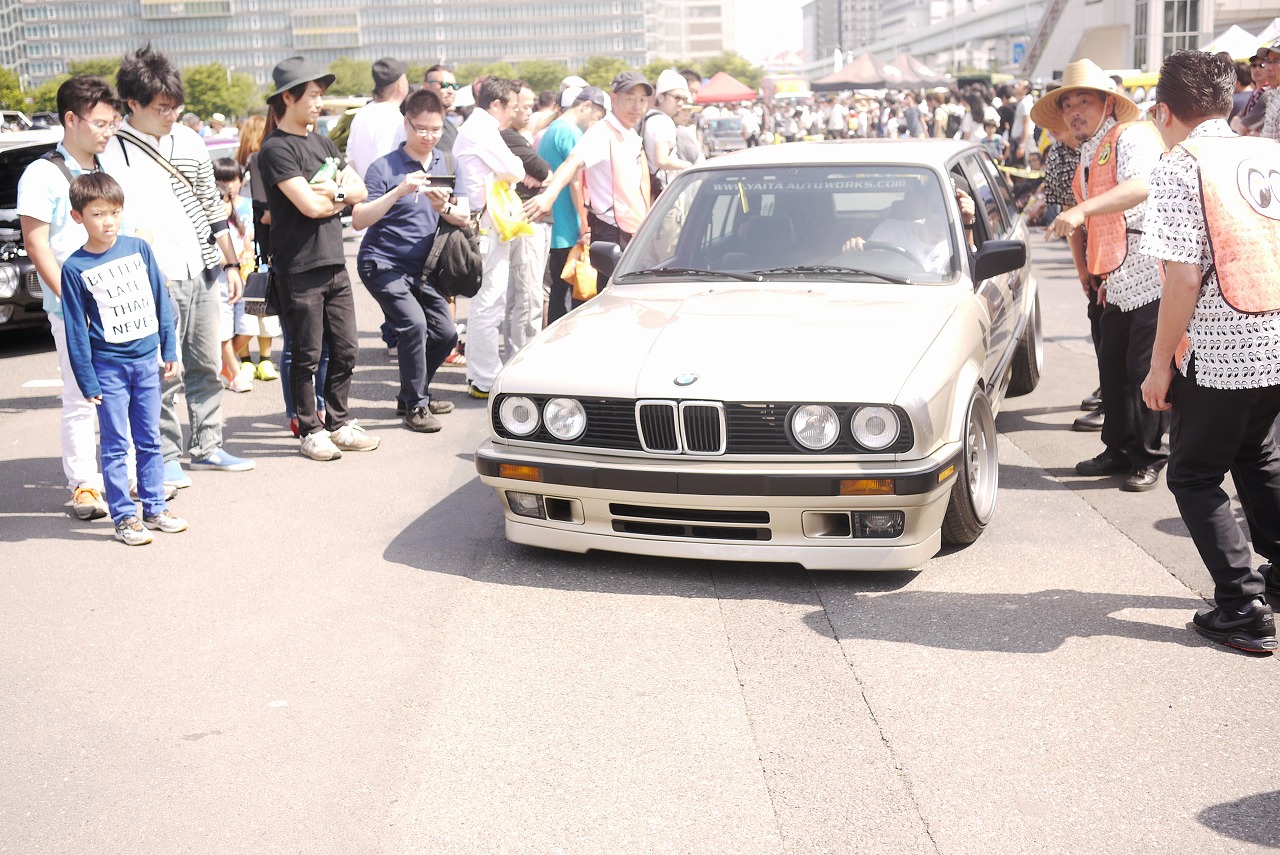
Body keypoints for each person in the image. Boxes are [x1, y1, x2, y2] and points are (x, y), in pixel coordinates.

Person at [1139, 49, 1280, 654]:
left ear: (1163, 111)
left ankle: (1240, 604)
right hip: (1274, 336)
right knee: (1259, 457)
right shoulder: (1267, 152)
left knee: (1194, 474)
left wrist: (1156, 366)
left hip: (1221, 346)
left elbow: (1181, 279)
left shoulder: (1180, 165)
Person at [100, 46, 255, 486]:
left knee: (206, 363)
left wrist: (230, 264)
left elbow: (211, 204)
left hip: (201, 266)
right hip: (151, 275)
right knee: (163, 372)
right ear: (133, 104)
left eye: (174, 107)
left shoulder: (188, 140)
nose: (170, 116)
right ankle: (165, 455)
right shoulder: (114, 150)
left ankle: (208, 445)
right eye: (160, 108)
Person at [1041, 59, 1167, 493]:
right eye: (1068, 103)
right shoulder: (1088, 149)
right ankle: (1117, 447)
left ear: (1107, 103)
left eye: (1084, 101)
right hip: (1111, 275)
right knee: (1111, 368)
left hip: (1149, 271)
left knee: (1142, 369)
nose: (1075, 110)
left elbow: (1140, 186)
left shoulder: (1130, 135)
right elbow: (1089, 221)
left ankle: (1149, 456)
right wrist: (1086, 270)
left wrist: (1079, 211)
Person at [19, 75, 134, 522]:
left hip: (122, 304)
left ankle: (123, 478)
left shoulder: (108, 170)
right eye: (101, 122)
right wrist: (71, 300)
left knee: (123, 394)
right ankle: (85, 485)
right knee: (82, 396)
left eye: (112, 122)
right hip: (75, 309)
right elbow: (37, 244)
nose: (108, 130)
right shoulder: (43, 173)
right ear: (71, 119)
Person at [258, 56, 378, 461]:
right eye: (312, 95)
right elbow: (308, 206)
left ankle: (340, 421)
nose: (319, 103)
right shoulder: (275, 149)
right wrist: (332, 196)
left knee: (346, 349)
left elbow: (359, 191)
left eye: (320, 95)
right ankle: (309, 428)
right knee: (306, 355)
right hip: (298, 265)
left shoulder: (323, 142)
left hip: (332, 261)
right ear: (287, 97)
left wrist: (332, 196)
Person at [58, 172, 187, 545]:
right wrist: (87, 379)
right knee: (116, 445)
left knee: (149, 438)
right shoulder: (74, 267)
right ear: (77, 216)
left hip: (147, 362)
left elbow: (161, 302)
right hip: (108, 367)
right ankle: (125, 517)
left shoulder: (138, 249)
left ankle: (155, 506)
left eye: (114, 212)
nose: (108, 221)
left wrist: (169, 348)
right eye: (98, 214)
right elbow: (75, 328)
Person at [353, 87, 462, 433]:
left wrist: (444, 207)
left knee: (445, 334)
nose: (429, 137)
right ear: (406, 124)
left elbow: (464, 214)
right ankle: (416, 406)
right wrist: (399, 190)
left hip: (424, 269)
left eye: (436, 129)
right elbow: (359, 218)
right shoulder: (384, 166)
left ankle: (413, 393)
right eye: (421, 129)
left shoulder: (445, 160)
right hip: (381, 263)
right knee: (413, 326)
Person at [523, 71, 654, 265]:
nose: (637, 106)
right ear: (615, 99)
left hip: (634, 230)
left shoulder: (631, 135)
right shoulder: (602, 132)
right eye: (630, 98)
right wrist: (549, 196)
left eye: (642, 100)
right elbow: (572, 163)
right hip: (611, 231)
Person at [453, 77, 526, 400]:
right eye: (512, 105)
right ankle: (485, 377)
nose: (515, 112)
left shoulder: (475, 127)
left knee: (487, 301)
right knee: (489, 301)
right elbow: (515, 170)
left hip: (484, 224)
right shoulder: (482, 129)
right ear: (496, 104)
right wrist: (509, 169)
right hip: (487, 226)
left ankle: (479, 374)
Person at [538, 86, 607, 325]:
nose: (595, 122)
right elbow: (576, 181)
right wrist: (584, 221)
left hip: (555, 221)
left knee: (558, 290)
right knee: (570, 292)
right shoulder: (570, 132)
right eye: (597, 115)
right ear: (585, 106)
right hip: (567, 223)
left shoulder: (552, 129)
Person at [501, 81, 551, 356]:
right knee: (527, 297)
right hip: (528, 221)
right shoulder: (510, 136)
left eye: (533, 105)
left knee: (522, 296)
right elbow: (544, 171)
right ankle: (522, 360)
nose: (530, 111)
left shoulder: (520, 136)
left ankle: (516, 357)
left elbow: (543, 173)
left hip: (529, 220)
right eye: (526, 105)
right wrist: (539, 175)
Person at [346, 57, 410, 181]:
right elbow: (385, 166)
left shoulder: (362, 114)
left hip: (363, 193)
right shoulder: (393, 118)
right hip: (384, 194)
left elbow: (351, 161)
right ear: (400, 86)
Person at [643, 69, 694, 194]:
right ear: (660, 97)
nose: (681, 103)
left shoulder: (649, 117)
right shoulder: (664, 122)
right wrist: (690, 166)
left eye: (684, 98)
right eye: (677, 97)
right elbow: (661, 160)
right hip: (665, 190)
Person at [422, 65, 461, 153]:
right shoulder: (423, 122)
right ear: (427, 87)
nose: (451, 91)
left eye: (455, 86)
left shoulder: (447, 124)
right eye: (445, 85)